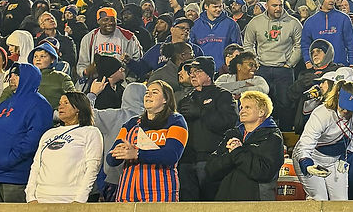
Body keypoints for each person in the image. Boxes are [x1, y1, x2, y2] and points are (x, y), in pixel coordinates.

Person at [0, 63, 54, 202]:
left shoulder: (40, 104)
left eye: (16, 74)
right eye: (11, 74)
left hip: (14, 177)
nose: (11, 77)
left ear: (29, 77)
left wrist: (10, 159)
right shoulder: (3, 105)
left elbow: (34, 139)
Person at [106, 80, 188, 202]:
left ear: (166, 99)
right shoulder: (131, 123)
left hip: (159, 189)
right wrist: (119, 153)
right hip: (127, 189)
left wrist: (137, 154)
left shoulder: (176, 120)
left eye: (154, 92)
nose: (148, 95)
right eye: (147, 92)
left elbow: (172, 155)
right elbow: (111, 160)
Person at [293, 81, 353, 200]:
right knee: (320, 198)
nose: (345, 111)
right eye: (343, 106)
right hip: (311, 156)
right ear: (338, 95)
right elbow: (305, 145)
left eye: (350, 108)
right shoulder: (322, 113)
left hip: (334, 161)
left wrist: (341, 161)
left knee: (341, 201)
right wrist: (307, 165)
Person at [204, 90, 285, 201]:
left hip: (256, 202)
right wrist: (231, 155)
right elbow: (210, 169)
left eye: (247, 107)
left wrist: (237, 152)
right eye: (241, 107)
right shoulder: (232, 134)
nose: (242, 111)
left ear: (261, 112)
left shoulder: (272, 137)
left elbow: (264, 172)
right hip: (226, 201)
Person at [177, 56, 238, 201]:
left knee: (211, 202)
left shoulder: (223, 95)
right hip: (186, 160)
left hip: (210, 159)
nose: (192, 74)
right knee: (188, 204)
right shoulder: (185, 100)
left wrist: (201, 111)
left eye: (197, 71)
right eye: (191, 71)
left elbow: (228, 123)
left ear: (209, 74)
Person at [25, 92, 102, 203]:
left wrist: (80, 199)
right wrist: (30, 197)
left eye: (66, 103)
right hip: (41, 198)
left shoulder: (90, 132)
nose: (60, 106)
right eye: (60, 103)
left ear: (78, 108)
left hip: (70, 198)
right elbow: (36, 166)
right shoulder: (49, 133)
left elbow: (92, 168)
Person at [242, 0, 302, 130]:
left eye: (280, 5)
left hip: (284, 70)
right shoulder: (255, 22)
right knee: (260, 104)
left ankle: (286, 134)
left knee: (286, 104)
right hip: (262, 68)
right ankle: (262, 133)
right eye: (274, 5)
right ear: (267, 6)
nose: (278, 8)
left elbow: (299, 45)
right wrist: (255, 63)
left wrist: (289, 64)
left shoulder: (293, 23)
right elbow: (248, 44)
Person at [92, 82, 147, 202]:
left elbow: (86, 114)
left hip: (114, 180)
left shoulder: (113, 116)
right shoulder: (153, 119)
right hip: (146, 179)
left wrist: (92, 94)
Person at [76, 8, 143, 79]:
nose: (110, 22)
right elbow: (82, 64)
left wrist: (128, 81)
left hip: (120, 83)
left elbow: (138, 63)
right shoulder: (89, 38)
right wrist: (86, 72)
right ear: (98, 21)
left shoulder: (129, 37)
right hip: (95, 81)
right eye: (106, 20)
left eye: (113, 20)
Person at [302, 0, 353, 67]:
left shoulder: (344, 18)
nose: (332, 0)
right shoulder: (310, 22)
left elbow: (351, 42)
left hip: (341, 65)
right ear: (321, 0)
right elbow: (305, 44)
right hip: (319, 67)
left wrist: (352, 63)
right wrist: (307, 61)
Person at [190, 0, 241, 71]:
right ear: (206, 6)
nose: (218, 9)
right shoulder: (195, 25)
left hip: (224, 70)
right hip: (202, 70)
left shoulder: (231, 24)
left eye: (220, 6)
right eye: (215, 7)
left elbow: (237, 48)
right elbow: (192, 48)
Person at [20, 41, 76, 111]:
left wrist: (57, 114)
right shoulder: (25, 78)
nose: (38, 59)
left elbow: (74, 99)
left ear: (52, 59)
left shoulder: (62, 77)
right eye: (35, 56)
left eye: (42, 56)